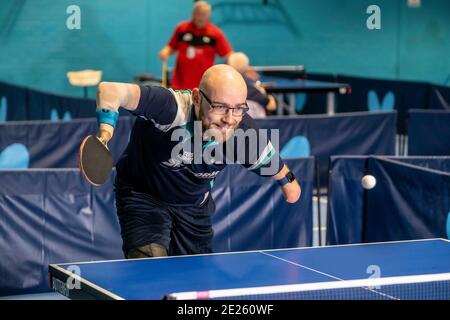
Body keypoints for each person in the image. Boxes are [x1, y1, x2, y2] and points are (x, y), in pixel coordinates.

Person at [95, 64, 301, 259]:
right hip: (145, 196)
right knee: (151, 271)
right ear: (196, 98)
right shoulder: (170, 108)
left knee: (195, 280)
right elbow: (109, 90)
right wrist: (106, 132)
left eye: (238, 108)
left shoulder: (243, 135)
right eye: (220, 107)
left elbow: (284, 176)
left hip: (194, 207)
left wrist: (289, 185)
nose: (229, 119)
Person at [159, 1, 233, 90]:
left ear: (209, 16)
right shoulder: (181, 28)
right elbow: (171, 47)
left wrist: (237, 63)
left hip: (204, 85)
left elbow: (229, 54)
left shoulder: (216, 33)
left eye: (204, 14)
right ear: (193, 14)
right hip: (179, 84)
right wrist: (165, 52)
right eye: (199, 14)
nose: (201, 17)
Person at [227, 52, 277, 118]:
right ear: (246, 67)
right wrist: (263, 92)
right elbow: (272, 106)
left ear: (228, 65)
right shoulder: (251, 89)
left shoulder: (223, 88)